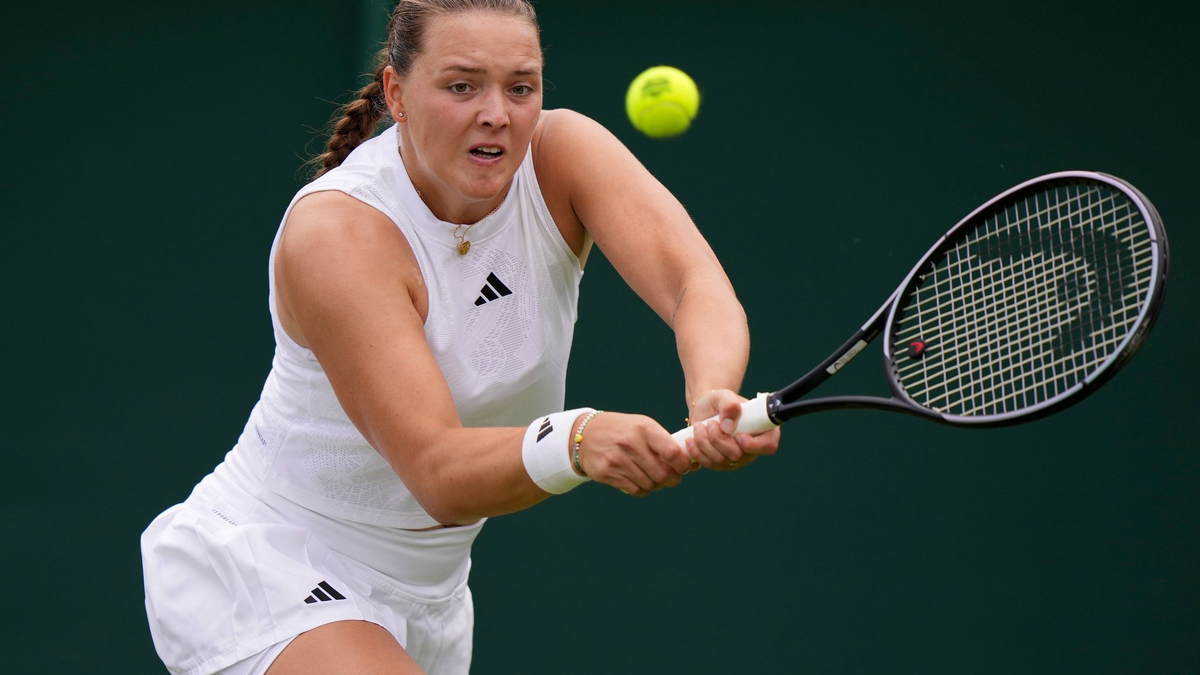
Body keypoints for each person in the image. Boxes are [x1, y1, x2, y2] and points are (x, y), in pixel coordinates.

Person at [140, 1, 781, 674]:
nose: (497, 113)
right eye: (461, 85)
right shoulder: (339, 234)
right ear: (397, 93)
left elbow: (693, 285)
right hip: (273, 562)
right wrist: (580, 439)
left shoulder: (563, 154)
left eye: (521, 87)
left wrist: (713, 393)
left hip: (434, 597)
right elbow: (437, 470)